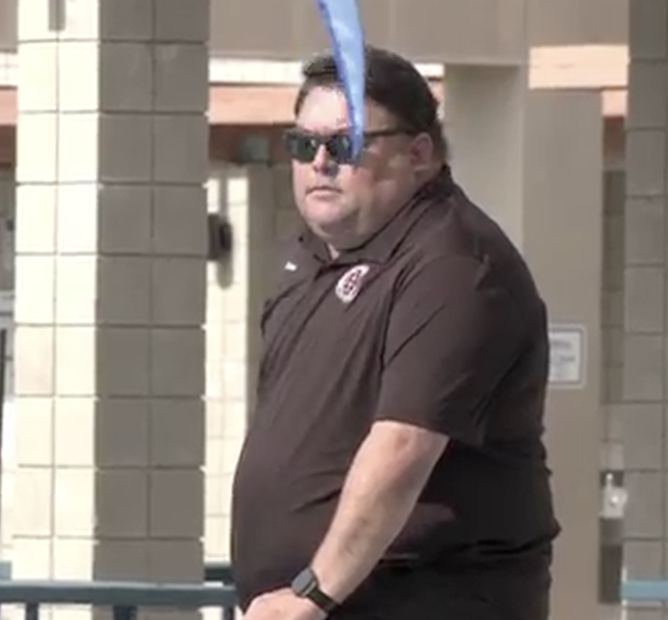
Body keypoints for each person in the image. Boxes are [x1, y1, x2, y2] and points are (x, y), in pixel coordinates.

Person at [229, 46, 559, 620]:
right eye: (304, 145)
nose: (321, 161)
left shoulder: (454, 265)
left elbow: (403, 446)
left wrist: (313, 591)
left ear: (420, 154)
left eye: (347, 143)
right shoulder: (312, 261)